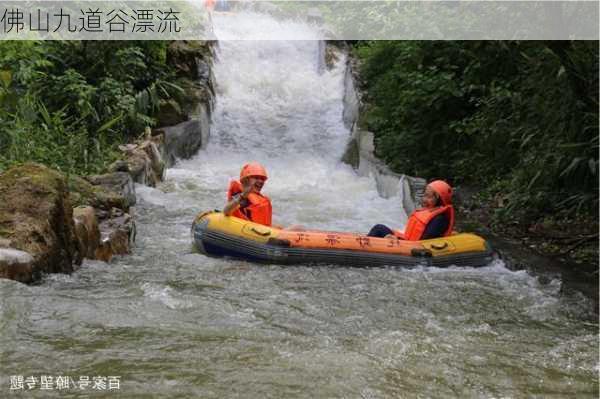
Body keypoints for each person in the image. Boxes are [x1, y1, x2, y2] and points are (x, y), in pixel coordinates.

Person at [367, 180, 455, 240]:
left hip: (411, 247)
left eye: (429, 197)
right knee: (379, 228)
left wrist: (397, 239)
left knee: (378, 229)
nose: (424, 199)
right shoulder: (430, 212)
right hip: (408, 241)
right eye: (424, 195)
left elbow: (425, 241)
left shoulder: (439, 219)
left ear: (440, 200)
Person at [224, 162, 273, 226]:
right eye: (256, 178)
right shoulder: (242, 196)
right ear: (245, 180)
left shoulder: (263, 199)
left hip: (260, 232)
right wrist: (243, 195)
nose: (261, 181)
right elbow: (226, 211)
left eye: (262, 179)